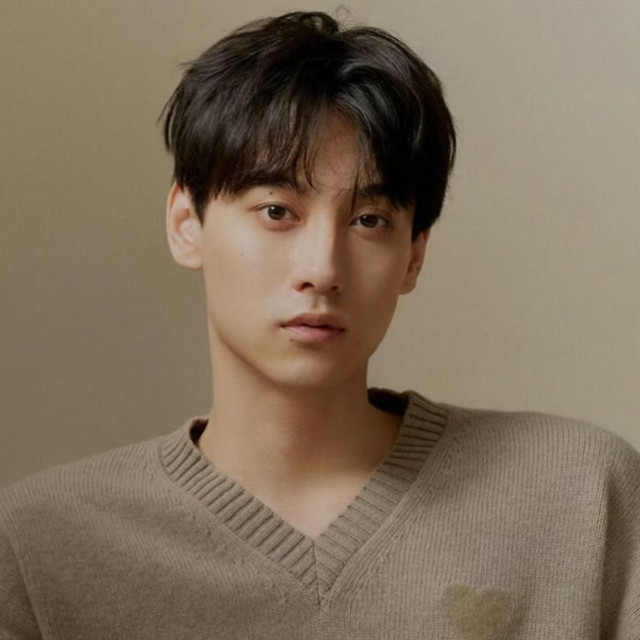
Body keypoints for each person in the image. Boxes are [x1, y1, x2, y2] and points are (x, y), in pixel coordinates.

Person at [1, 10, 638, 639]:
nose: (322, 270)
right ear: (186, 223)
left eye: (369, 221)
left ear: (414, 255)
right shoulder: (39, 547)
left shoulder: (583, 495)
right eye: (277, 211)